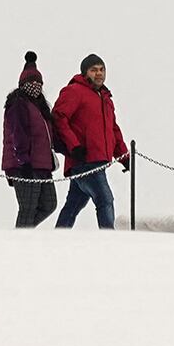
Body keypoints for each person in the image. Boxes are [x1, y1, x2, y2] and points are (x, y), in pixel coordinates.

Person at [52, 54, 129, 229]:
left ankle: (57, 238)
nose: (99, 73)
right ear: (85, 73)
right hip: (85, 160)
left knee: (74, 204)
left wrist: (124, 157)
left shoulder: (105, 98)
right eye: (94, 70)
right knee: (105, 199)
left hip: (97, 161)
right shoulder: (74, 91)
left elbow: (113, 129)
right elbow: (58, 117)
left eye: (102, 69)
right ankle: (109, 240)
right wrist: (74, 146)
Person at [1, 51, 60, 228]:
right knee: (27, 207)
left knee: (49, 204)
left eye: (38, 83)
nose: (35, 86)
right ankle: (19, 241)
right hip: (25, 166)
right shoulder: (18, 104)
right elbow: (18, 134)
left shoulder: (40, 107)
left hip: (42, 165)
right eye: (31, 83)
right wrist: (23, 161)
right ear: (22, 85)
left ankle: (22, 233)